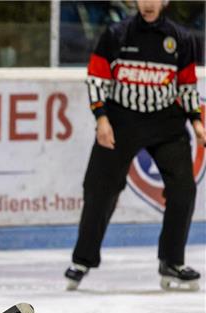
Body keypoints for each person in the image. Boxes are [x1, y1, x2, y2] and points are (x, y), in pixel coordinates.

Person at [65, 0, 204, 292]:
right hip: (120, 120)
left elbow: (187, 84)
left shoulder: (181, 39)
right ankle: (82, 260)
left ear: (165, 1)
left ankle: (172, 261)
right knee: (99, 189)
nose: (148, 3)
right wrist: (101, 119)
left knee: (183, 189)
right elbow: (97, 77)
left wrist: (196, 121)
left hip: (166, 123)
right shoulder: (117, 34)